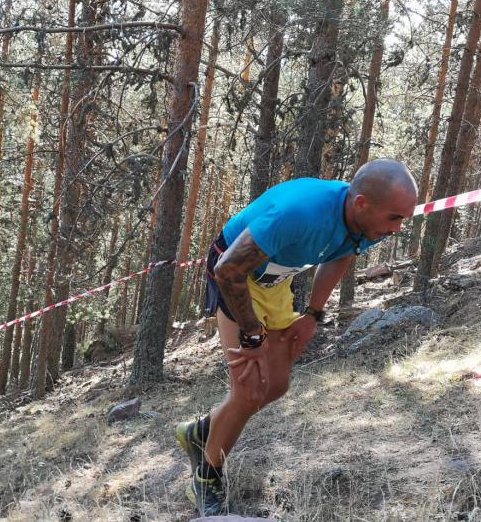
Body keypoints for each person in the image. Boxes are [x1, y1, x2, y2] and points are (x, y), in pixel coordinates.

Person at [176, 159, 418, 516]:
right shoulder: (300, 213)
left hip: (274, 282)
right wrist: (253, 337)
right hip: (234, 276)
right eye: (394, 218)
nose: (397, 229)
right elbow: (228, 269)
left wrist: (313, 314)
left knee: (275, 385)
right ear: (362, 203)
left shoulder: (364, 224)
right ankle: (206, 476)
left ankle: (201, 432)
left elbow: (341, 257)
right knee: (249, 388)